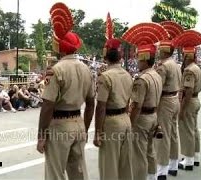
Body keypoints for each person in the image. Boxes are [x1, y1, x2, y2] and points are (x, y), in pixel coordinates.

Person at [36, 3, 95, 180]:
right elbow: (92, 102)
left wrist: (41, 135)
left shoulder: (56, 70)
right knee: (78, 172)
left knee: (55, 172)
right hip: (78, 122)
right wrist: (84, 127)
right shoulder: (87, 69)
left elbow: (47, 105)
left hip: (59, 125)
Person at [94, 37, 133, 180]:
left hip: (112, 123)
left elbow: (101, 107)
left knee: (108, 165)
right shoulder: (128, 75)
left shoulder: (105, 77)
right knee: (125, 165)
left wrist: (98, 132)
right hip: (125, 119)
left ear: (105, 54)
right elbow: (128, 101)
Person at [173, 30, 201, 171]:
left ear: (187, 55)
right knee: (194, 129)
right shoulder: (197, 68)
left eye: (184, 55)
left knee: (186, 130)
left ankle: (188, 160)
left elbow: (187, 91)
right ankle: (195, 157)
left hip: (189, 101)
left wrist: (182, 109)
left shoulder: (189, 70)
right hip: (196, 99)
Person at [129, 44, 162, 180]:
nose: (137, 61)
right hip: (154, 115)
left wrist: (130, 123)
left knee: (139, 153)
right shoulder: (157, 75)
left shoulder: (142, 79)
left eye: (138, 59)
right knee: (150, 150)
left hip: (142, 118)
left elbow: (136, 105)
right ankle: (152, 176)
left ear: (144, 59)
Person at [155, 40, 182, 179]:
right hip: (175, 99)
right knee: (173, 134)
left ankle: (162, 170)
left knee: (162, 135)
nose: (158, 51)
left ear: (165, 51)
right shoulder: (175, 64)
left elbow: (157, 88)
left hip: (165, 101)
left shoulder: (163, 66)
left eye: (160, 49)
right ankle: (173, 165)